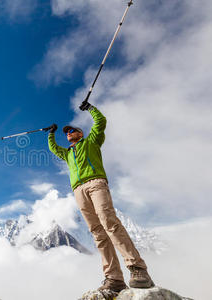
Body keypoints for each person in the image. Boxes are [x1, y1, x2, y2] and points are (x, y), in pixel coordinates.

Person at [47, 101, 154, 293]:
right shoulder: (68, 153)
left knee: (109, 222)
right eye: (66, 132)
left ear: (81, 133)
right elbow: (54, 148)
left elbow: (101, 122)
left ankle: (138, 268)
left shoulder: (92, 141)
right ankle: (114, 279)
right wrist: (51, 134)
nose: (69, 133)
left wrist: (89, 108)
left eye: (72, 130)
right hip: (78, 191)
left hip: (96, 183)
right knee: (97, 233)